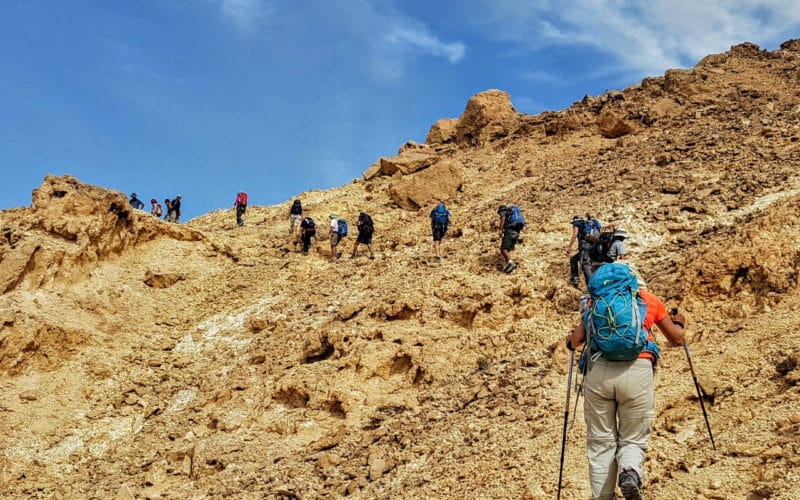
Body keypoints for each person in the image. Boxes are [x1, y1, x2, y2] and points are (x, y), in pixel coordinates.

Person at [566, 262, 686, 499]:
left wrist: (569, 340)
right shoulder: (647, 299)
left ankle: (602, 496)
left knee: (601, 442)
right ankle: (629, 472)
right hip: (637, 371)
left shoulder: (595, 303)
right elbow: (677, 339)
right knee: (632, 437)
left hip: (598, 374)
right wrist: (680, 322)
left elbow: (575, 342)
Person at [566, 214, 601, 287]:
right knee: (573, 259)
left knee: (584, 264)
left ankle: (590, 285)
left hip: (584, 246)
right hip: (593, 246)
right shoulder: (590, 223)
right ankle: (575, 278)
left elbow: (575, 234)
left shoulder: (577, 223)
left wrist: (570, 247)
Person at [497, 205, 523, 273]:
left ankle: (511, 263)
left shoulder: (504, 212)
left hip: (510, 231)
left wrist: (500, 230)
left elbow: (503, 217)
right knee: (508, 248)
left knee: (503, 249)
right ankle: (509, 264)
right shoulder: (513, 213)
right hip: (516, 231)